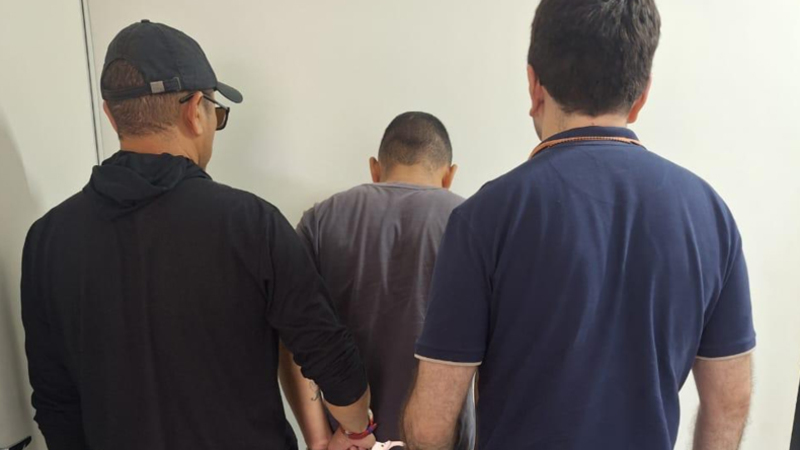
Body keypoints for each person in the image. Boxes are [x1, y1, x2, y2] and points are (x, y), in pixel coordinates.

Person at [402, 1, 756, 449]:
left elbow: (431, 425)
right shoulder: (710, 217)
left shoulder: (484, 218)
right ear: (642, 95)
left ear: (534, 86)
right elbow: (730, 403)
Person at [21, 20, 376, 450]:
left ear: (111, 115)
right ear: (194, 111)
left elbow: (56, 402)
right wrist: (355, 430)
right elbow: (331, 357)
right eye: (216, 112)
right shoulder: (251, 224)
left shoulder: (46, 241)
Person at [279, 112, 474, 450]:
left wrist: (319, 440)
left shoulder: (320, 221)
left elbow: (290, 335)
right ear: (449, 175)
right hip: (442, 441)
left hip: (350, 440)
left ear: (375, 168)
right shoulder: (473, 223)